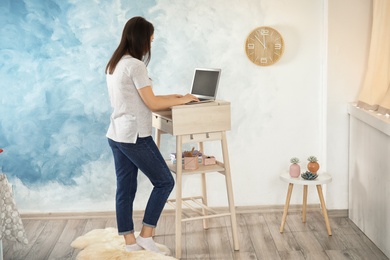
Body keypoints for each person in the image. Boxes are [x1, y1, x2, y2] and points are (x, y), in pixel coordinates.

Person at [105, 16, 199, 254]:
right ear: (140, 38)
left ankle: (130, 242)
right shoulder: (136, 65)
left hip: (117, 133)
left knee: (125, 189)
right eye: (150, 39)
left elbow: (143, 98)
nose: (150, 44)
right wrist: (183, 99)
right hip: (135, 135)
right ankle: (146, 236)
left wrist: (178, 97)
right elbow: (152, 103)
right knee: (165, 181)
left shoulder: (116, 63)